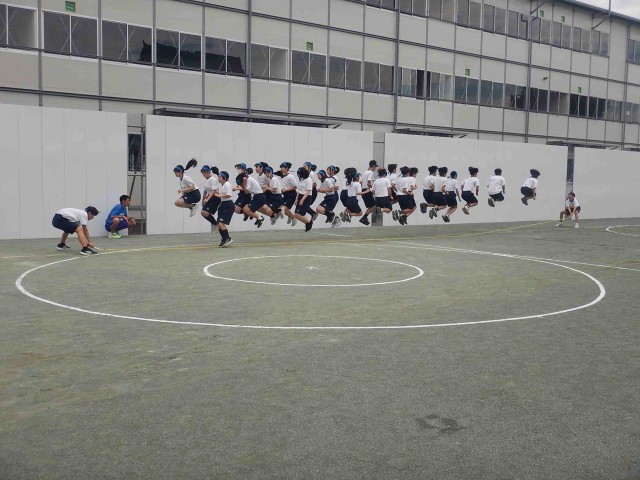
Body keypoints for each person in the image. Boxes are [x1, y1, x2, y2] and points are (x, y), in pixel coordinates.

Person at [214, 171, 234, 247]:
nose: (218, 178)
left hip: (228, 205)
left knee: (221, 223)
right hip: (223, 204)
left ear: (224, 178)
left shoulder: (227, 184)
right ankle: (224, 238)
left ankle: (228, 238)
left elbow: (228, 195)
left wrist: (219, 195)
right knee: (218, 224)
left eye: (220, 177)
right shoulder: (222, 185)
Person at [200, 165, 221, 232]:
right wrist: (203, 200)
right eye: (202, 172)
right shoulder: (204, 180)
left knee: (206, 212)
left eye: (204, 172)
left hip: (215, 197)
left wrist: (207, 199)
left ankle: (215, 225)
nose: (203, 174)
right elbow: (205, 191)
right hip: (209, 196)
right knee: (202, 212)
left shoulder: (213, 180)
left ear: (208, 172)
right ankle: (214, 224)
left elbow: (213, 190)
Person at [294, 167, 315, 232]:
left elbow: (308, 191)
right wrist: (296, 199)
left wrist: (302, 200)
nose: (299, 175)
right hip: (300, 196)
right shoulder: (301, 179)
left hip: (307, 197)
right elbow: (299, 191)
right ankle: (308, 222)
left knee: (301, 213)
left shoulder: (308, 180)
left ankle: (309, 222)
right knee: (296, 214)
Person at [359, 160, 379, 225]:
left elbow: (360, 182)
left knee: (371, 206)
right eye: (375, 166)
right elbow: (369, 183)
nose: (376, 168)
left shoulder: (365, 172)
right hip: (367, 190)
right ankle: (364, 217)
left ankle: (364, 218)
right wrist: (372, 188)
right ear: (373, 166)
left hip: (363, 190)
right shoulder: (370, 173)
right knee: (373, 205)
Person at [279, 162, 299, 226]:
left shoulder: (291, 177)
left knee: (284, 208)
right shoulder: (282, 176)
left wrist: (286, 189)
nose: (281, 168)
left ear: (286, 168)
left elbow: (295, 186)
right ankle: (291, 216)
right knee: (280, 207)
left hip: (291, 195)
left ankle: (293, 218)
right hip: (285, 195)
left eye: (283, 167)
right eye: (281, 167)